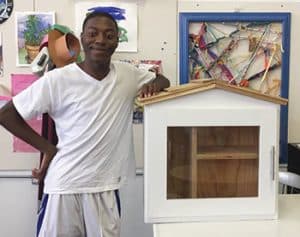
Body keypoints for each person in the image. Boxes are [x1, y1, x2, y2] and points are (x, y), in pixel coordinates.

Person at [0, 11, 170, 237]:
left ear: (117, 41)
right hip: (64, 187)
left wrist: (156, 84)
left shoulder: (128, 75)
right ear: (82, 38)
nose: (100, 40)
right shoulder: (58, 80)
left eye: (109, 35)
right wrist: (47, 148)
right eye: (93, 33)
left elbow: (162, 79)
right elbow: (6, 114)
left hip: (105, 187)